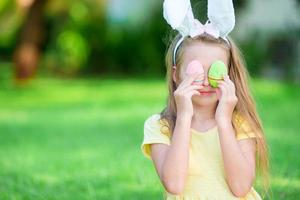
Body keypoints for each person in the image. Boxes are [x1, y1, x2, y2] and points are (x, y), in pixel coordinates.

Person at [140, 0, 269, 199]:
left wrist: (224, 121)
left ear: (229, 74)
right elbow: (174, 184)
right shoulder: (160, 127)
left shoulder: (241, 124)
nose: (208, 81)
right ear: (176, 75)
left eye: (215, 70)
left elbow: (241, 187)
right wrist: (183, 117)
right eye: (196, 70)